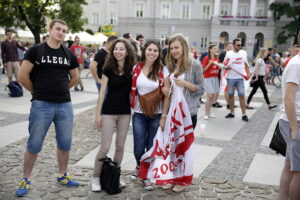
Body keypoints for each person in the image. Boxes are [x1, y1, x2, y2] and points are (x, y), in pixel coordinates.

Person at [16, 19, 79, 197]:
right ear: (50, 30)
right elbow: (22, 76)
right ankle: (25, 178)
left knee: (65, 143)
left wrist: (63, 89)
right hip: (41, 105)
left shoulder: (67, 53)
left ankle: (62, 175)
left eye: (64, 31)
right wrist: (37, 92)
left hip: (64, 105)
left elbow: (74, 77)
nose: (61, 32)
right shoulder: (37, 50)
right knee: (34, 143)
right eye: (58, 29)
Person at [159, 33, 204, 192]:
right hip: (172, 112)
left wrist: (186, 84)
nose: (174, 51)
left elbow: (201, 89)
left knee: (183, 148)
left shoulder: (195, 65)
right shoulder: (170, 65)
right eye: (171, 48)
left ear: (183, 47)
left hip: (188, 113)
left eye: (176, 47)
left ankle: (183, 180)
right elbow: (168, 92)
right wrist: (164, 113)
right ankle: (172, 177)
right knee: (172, 147)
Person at [90, 39, 136, 192]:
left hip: (124, 112)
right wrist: (98, 114)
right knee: (105, 146)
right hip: (109, 111)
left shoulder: (131, 70)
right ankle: (96, 177)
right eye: (115, 49)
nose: (118, 51)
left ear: (127, 52)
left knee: (120, 146)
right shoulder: (108, 67)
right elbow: (102, 92)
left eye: (121, 49)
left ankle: (116, 174)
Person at [130, 40, 169, 190]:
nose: (152, 53)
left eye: (155, 51)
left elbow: (167, 94)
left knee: (151, 146)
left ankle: (146, 176)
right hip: (139, 113)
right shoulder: (136, 68)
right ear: (144, 50)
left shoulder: (162, 70)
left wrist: (164, 116)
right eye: (150, 50)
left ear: (159, 53)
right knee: (139, 147)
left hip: (156, 114)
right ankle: (139, 165)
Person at [278, 33, 300, 200]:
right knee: (297, 171)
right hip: (296, 122)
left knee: (290, 166)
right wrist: (294, 127)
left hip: (295, 121)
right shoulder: (296, 64)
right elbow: (288, 98)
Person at [223, 38, 250, 122]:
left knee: (241, 95)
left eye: (241, 45)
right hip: (230, 78)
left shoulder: (243, 53)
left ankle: (244, 114)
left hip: (240, 78)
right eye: (238, 45)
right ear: (234, 45)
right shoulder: (229, 54)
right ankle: (232, 112)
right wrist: (227, 67)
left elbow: (246, 64)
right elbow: (224, 65)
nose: (240, 46)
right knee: (231, 95)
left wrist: (248, 73)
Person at [202, 44, 220, 119]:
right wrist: (210, 63)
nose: (216, 50)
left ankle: (209, 112)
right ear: (210, 50)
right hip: (208, 78)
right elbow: (203, 70)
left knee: (212, 97)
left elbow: (218, 68)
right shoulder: (206, 58)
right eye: (214, 49)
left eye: (216, 49)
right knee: (209, 96)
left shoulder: (216, 58)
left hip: (215, 78)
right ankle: (206, 113)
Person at [219, 42, 233, 109]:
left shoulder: (228, 54)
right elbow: (221, 65)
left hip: (228, 73)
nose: (231, 48)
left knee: (229, 89)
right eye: (229, 46)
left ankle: (229, 103)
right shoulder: (223, 54)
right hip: (224, 73)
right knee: (226, 89)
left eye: (231, 46)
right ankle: (228, 104)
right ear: (226, 47)